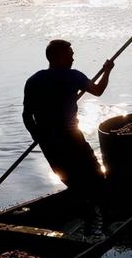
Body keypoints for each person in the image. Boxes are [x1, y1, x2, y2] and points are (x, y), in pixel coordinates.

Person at [22, 39, 114, 230]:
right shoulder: (73, 76)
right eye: (70, 54)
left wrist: (38, 137)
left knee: (70, 179)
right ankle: (102, 219)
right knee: (96, 177)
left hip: (48, 141)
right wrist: (107, 70)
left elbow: (26, 116)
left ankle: (85, 207)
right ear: (59, 56)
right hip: (71, 138)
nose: (73, 57)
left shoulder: (33, 80)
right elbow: (98, 91)